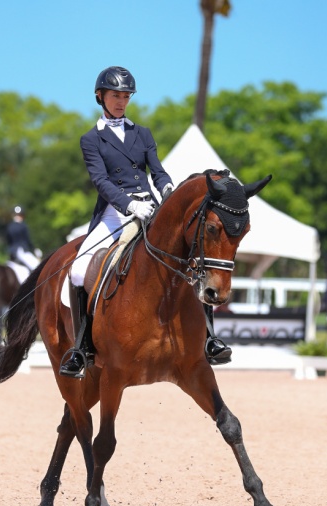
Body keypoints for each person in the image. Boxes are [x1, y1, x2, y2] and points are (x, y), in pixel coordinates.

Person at [60, 66, 231, 378]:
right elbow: (100, 181)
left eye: (126, 96)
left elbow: (158, 169)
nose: (121, 101)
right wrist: (129, 205)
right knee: (78, 269)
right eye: (116, 96)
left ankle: (209, 339)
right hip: (115, 212)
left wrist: (167, 187)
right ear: (100, 96)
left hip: (153, 209)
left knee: (192, 260)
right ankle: (82, 347)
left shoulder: (143, 134)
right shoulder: (91, 139)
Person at [6, 206, 40, 271]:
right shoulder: (23, 226)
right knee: (37, 267)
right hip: (23, 250)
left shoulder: (9, 227)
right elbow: (27, 240)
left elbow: (9, 241)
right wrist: (34, 249)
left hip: (13, 253)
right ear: (22, 215)